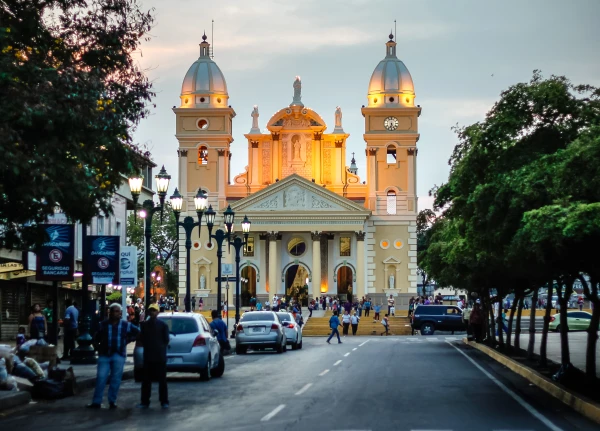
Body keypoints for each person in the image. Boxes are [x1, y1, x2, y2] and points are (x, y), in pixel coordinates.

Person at [87, 303, 140, 409]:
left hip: (118, 354)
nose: (114, 313)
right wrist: (97, 346)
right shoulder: (103, 324)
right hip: (104, 354)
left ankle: (112, 401)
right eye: (112, 311)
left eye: (117, 311)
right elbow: (94, 335)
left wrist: (128, 340)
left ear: (120, 313)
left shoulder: (126, 325)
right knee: (101, 377)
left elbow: (138, 332)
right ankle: (96, 401)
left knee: (116, 379)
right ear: (109, 312)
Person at [138, 303, 170, 409]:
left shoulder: (163, 325)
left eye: (154, 311)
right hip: (148, 356)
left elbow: (166, 340)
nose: (152, 312)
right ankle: (145, 401)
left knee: (162, 381)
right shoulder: (144, 325)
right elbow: (142, 338)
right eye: (151, 310)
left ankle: (164, 401)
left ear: (157, 312)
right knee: (146, 380)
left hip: (159, 357)